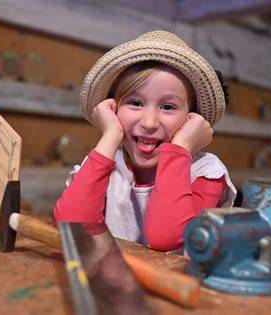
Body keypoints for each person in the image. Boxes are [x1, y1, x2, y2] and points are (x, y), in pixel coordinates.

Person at [54, 30, 236, 252]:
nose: (149, 122)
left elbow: (166, 238)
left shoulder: (205, 172)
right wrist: (110, 134)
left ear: (191, 118)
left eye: (168, 107)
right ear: (114, 108)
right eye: (135, 103)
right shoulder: (107, 162)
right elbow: (71, 227)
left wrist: (181, 147)